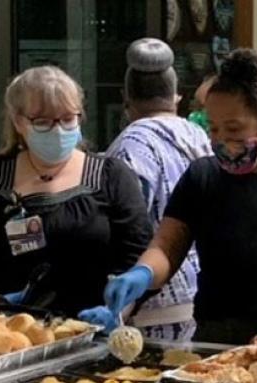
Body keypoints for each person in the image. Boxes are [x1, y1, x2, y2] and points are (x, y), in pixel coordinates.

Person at [103, 49, 257, 345]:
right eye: (214, 129)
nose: (221, 140)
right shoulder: (202, 178)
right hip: (212, 346)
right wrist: (142, 274)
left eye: (234, 129)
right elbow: (167, 248)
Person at [0, 66, 151, 320]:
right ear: (18, 122)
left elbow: (138, 259)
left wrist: (116, 312)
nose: (58, 130)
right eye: (43, 122)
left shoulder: (111, 177)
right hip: (6, 337)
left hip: (90, 332)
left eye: (67, 119)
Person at [103, 38, 212, 341]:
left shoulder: (130, 148)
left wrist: (119, 304)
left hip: (150, 307)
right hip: (196, 295)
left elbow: (129, 235)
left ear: (126, 98)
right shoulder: (199, 136)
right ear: (176, 96)